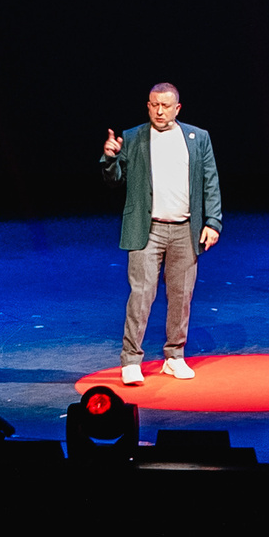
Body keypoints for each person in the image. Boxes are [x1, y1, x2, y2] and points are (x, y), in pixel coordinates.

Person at [100, 82, 223, 384]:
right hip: (147, 229)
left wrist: (213, 222)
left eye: (165, 106)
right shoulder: (133, 137)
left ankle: (174, 356)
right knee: (141, 295)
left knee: (181, 296)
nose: (159, 111)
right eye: (154, 105)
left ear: (177, 108)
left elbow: (210, 181)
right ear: (148, 105)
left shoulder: (197, 138)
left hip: (185, 230)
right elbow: (114, 180)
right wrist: (111, 158)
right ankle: (131, 360)